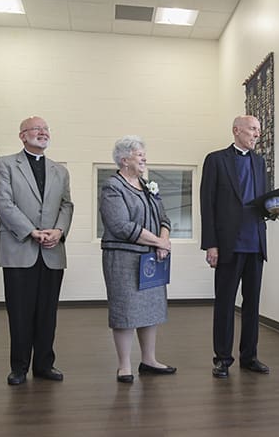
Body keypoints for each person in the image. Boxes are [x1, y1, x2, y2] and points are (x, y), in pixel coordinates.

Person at [0, 116, 74, 386]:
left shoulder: (60, 170)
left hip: (52, 251)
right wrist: (31, 232)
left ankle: (44, 365)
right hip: (19, 248)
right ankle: (18, 367)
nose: (42, 133)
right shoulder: (5, 165)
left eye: (46, 129)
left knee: (47, 311)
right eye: (36, 129)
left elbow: (66, 205)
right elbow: (3, 202)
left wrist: (59, 232)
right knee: (19, 311)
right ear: (22, 135)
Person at [99, 135, 176, 383]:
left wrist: (162, 240)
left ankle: (149, 360)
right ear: (124, 160)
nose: (144, 157)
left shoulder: (148, 185)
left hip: (151, 259)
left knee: (150, 310)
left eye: (144, 153)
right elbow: (120, 225)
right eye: (138, 153)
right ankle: (124, 365)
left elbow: (165, 218)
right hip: (123, 259)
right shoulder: (113, 187)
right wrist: (158, 242)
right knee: (125, 310)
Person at [200, 115, 272, 379]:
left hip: (255, 243)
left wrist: (274, 208)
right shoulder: (216, 160)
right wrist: (211, 245)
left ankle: (249, 356)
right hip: (228, 244)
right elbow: (207, 205)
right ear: (236, 130)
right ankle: (222, 359)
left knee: (252, 304)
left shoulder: (260, 161)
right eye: (253, 129)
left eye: (258, 130)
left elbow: (260, 201)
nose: (256, 134)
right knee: (225, 303)